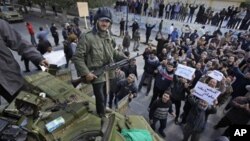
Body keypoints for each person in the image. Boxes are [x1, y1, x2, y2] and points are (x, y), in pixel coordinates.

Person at [73, 7, 127, 117]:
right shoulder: (87, 36)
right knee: (100, 96)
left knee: (106, 94)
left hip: (108, 72)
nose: (105, 23)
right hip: (95, 73)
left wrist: (125, 57)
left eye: (107, 21)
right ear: (97, 20)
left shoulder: (109, 36)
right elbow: (77, 57)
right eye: (102, 20)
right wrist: (86, 73)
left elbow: (113, 52)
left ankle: (102, 109)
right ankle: (101, 115)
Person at [0, 19, 48, 103]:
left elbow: (20, 43)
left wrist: (39, 58)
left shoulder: (1, 24)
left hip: (10, 79)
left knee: (31, 103)